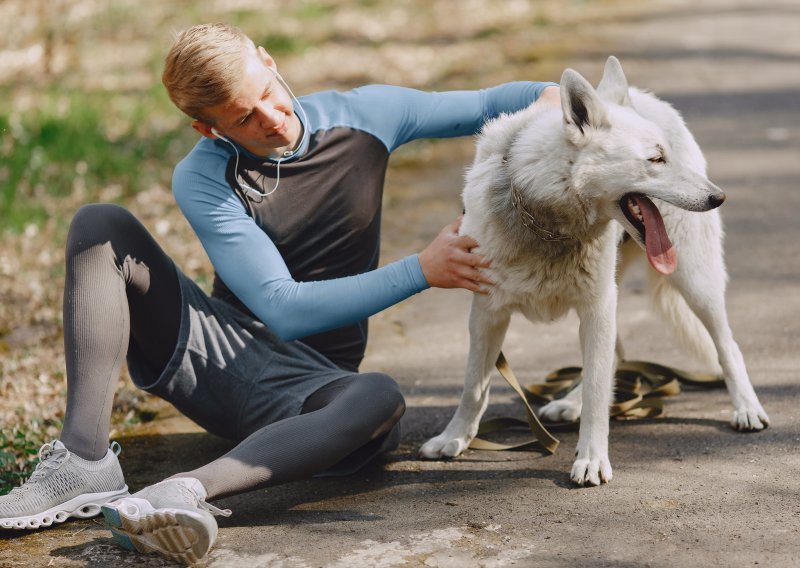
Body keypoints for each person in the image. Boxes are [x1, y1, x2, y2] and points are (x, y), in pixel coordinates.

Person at [0, 22, 559, 564]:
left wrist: (558, 103)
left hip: (314, 389)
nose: (272, 119)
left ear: (269, 61)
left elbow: (505, 101)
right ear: (208, 130)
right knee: (101, 224)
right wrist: (422, 269)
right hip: (224, 359)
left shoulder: (366, 115)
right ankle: (83, 463)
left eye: (267, 93)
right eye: (244, 118)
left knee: (379, 397)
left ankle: (181, 493)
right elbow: (282, 307)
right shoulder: (203, 176)